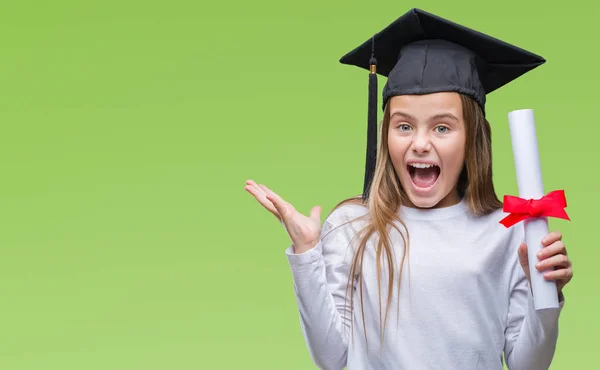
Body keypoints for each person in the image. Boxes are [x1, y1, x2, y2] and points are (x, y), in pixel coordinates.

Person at [244, 8, 573, 370]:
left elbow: (528, 365)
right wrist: (307, 252)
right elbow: (331, 359)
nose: (419, 143)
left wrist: (546, 300)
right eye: (404, 126)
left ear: (472, 139)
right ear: (385, 135)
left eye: (442, 128)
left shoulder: (508, 230)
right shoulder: (354, 225)